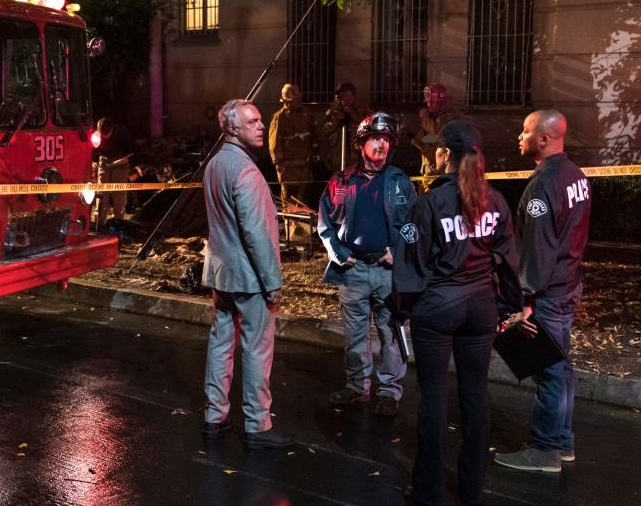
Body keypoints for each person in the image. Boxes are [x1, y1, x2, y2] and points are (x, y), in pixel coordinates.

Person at [393, 120, 523, 506]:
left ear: (446, 154)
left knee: (433, 397)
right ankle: (471, 490)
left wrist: (402, 309)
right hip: (480, 307)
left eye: (437, 148)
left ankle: (429, 492)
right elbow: (507, 262)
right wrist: (507, 307)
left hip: (438, 308)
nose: (434, 152)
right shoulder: (495, 200)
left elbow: (411, 263)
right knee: (475, 396)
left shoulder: (429, 202)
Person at [494, 110, 591, 473]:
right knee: (561, 367)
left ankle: (545, 449)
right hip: (568, 284)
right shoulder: (576, 175)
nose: (520, 136)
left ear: (544, 139)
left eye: (526, 131)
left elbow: (537, 247)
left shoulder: (543, 185)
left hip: (548, 292)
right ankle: (562, 443)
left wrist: (526, 302)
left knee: (548, 370)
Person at [201, 99, 293, 449]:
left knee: (221, 344)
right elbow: (257, 235)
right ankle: (258, 426)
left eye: (260, 118)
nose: (260, 124)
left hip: (221, 274)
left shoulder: (214, 165)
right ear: (232, 129)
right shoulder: (247, 172)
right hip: (250, 278)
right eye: (253, 121)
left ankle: (214, 416)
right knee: (256, 349)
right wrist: (273, 283)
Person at [317, 112, 415, 415]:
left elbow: (414, 227)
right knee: (356, 335)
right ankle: (357, 386)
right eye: (376, 138)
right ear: (361, 143)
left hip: (388, 273)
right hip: (353, 271)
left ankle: (389, 392)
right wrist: (338, 252)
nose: (382, 145)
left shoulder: (401, 183)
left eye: (386, 140)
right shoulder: (342, 182)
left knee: (391, 334)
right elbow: (325, 223)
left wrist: (397, 252)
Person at [269, 83, 317, 238]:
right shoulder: (280, 117)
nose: (298, 102)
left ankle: (303, 234)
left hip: (304, 166)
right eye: (294, 99)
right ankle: (290, 234)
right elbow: (274, 143)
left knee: (303, 202)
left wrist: (315, 155)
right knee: (288, 202)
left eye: (298, 99)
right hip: (288, 168)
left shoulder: (307, 115)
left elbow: (314, 137)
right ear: (286, 101)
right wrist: (278, 163)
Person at [318, 82, 368, 177]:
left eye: (350, 95)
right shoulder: (332, 113)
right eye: (345, 96)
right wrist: (335, 120)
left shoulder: (363, 110)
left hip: (357, 157)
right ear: (339, 98)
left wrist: (353, 115)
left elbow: (369, 128)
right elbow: (322, 131)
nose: (348, 99)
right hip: (337, 158)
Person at [412, 83, 460, 178]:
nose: (428, 105)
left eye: (432, 102)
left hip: (441, 174)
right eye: (428, 102)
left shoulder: (448, 119)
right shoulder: (433, 119)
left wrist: (425, 119)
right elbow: (419, 140)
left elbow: (437, 136)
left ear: (441, 103)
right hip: (429, 172)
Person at [94, 117, 134, 227]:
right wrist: (94, 162)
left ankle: (119, 223)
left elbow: (132, 150)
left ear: (112, 129)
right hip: (104, 160)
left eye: (107, 134)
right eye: (102, 135)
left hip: (120, 161)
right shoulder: (96, 136)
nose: (104, 137)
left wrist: (124, 159)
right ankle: (99, 223)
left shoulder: (122, 133)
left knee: (119, 194)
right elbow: (92, 151)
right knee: (102, 193)